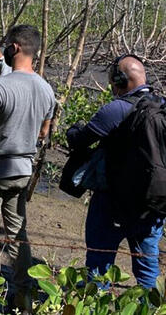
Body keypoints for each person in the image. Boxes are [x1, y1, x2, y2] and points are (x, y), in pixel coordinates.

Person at [0, 25, 56, 301]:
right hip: (22, 172)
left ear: (15, 48)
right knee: (19, 234)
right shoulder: (47, 90)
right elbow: (43, 133)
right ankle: (23, 296)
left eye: (6, 45)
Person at [66, 54, 163, 288]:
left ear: (120, 80)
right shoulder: (162, 106)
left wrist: (73, 131)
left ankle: (94, 304)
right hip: (154, 202)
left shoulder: (117, 108)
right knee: (147, 267)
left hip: (113, 203)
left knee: (99, 264)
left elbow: (81, 140)